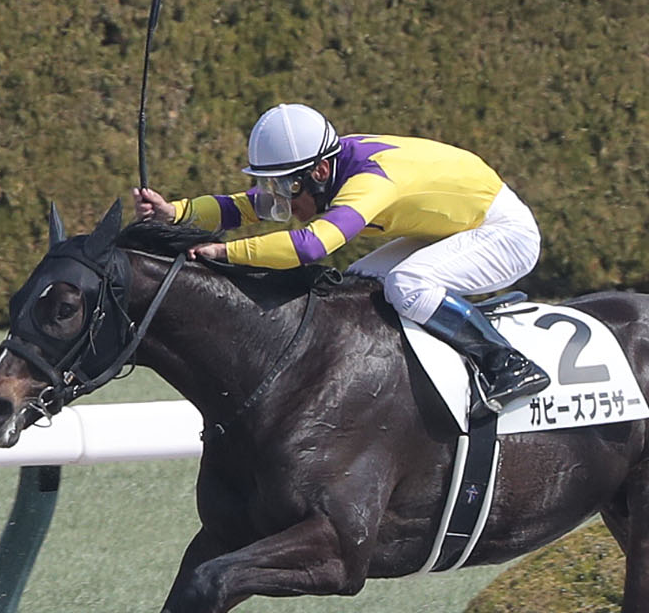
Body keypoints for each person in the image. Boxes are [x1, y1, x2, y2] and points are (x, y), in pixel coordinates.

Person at [134, 104, 551, 412]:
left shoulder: (370, 182)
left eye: (286, 188)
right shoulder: (324, 168)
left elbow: (311, 247)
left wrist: (225, 251)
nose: (281, 201)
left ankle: (506, 362)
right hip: (455, 226)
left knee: (407, 284)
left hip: (503, 233)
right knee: (357, 282)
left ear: (318, 173)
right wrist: (177, 212)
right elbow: (249, 206)